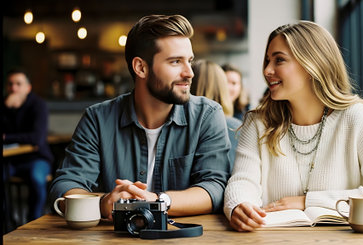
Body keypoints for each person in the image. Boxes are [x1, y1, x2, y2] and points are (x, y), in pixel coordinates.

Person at [223, 21, 363, 231]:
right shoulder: (257, 122)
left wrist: (308, 201)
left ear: (311, 64)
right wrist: (239, 205)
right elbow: (242, 181)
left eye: (279, 60)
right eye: (267, 61)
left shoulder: (356, 117)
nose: (267, 70)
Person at [49, 14, 232, 220]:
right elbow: (66, 186)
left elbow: (215, 187)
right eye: (175, 62)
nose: (189, 72)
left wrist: (157, 201)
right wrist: (103, 203)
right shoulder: (98, 119)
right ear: (141, 68)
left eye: (189, 61)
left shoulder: (207, 115)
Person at [2, 68, 54, 221]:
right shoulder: (5, 105)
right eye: (10, 84)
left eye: (18, 84)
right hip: (10, 160)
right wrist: (6, 108)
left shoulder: (38, 105)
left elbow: (36, 138)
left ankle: (34, 221)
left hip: (37, 158)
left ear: (28, 87)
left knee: (36, 178)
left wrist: (6, 137)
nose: (14, 88)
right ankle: (9, 222)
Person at [191, 59, 242, 165]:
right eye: (227, 82)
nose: (230, 87)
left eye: (234, 83)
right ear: (222, 87)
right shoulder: (234, 127)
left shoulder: (176, 126)